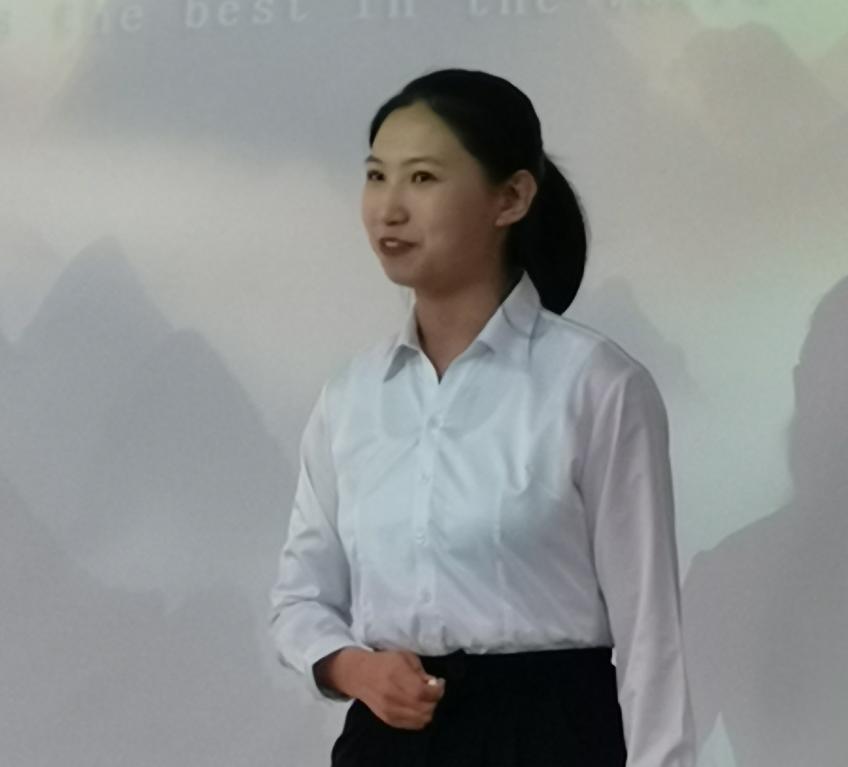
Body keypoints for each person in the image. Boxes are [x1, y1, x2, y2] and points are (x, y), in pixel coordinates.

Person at [268, 68, 696, 766]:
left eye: (422, 178)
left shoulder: (596, 385)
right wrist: (355, 669)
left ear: (511, 197)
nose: (388, 208)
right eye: (376, 176)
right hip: (389, 743)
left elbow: (650, 632)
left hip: (551, 737)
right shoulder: (352, 397)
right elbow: (299, 600)